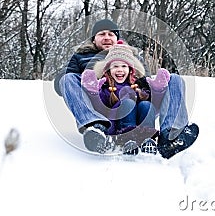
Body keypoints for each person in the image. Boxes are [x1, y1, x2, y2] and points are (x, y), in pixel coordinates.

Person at [53, 18, 198, 159]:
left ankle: (170, 135)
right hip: (102, 105)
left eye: (111, 34)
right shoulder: (81, 56)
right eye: (102, 34)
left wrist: (156, 87)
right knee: (68, 78)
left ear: (117, 38)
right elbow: (62, 84)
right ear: (93, 39)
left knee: (175, 79)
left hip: (137, 104)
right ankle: (96, 127)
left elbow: (144, 82)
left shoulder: (133, 56)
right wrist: (91, 82)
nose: (107, 37)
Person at [80, 41, 164, 154]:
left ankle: (147, 140)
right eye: (115, 66)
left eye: (124, 66)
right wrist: (94, 93)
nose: (120, 69)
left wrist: (158, 90)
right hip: (117, 127)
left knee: (146, 105)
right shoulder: (106, 87)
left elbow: (155, 106)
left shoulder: (138, 85)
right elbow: (100, 109)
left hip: (140, 125)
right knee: (128, 103)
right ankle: (127, 140)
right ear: (108, 70)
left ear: (130, 69)